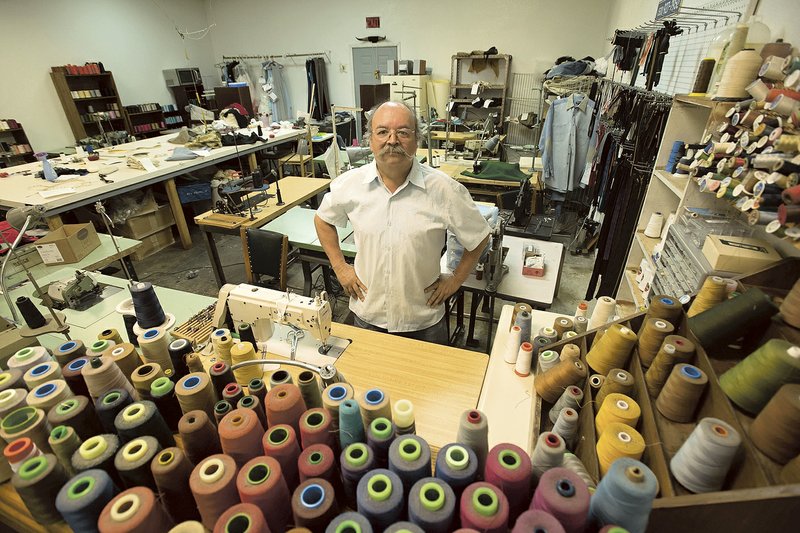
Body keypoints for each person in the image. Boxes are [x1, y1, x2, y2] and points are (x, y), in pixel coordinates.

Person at [314, 101, 491, 344]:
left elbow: (479, 236)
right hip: (368, 315)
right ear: (370, 139)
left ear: (417, 140)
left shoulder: (444, 190)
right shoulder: (350, 185)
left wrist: (456, 280)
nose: (392, 140)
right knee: (368, 381)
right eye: (383, 131)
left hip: (423, 320)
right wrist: (341, 268)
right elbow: (323, 220)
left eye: (403, 132)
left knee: (428, 382)